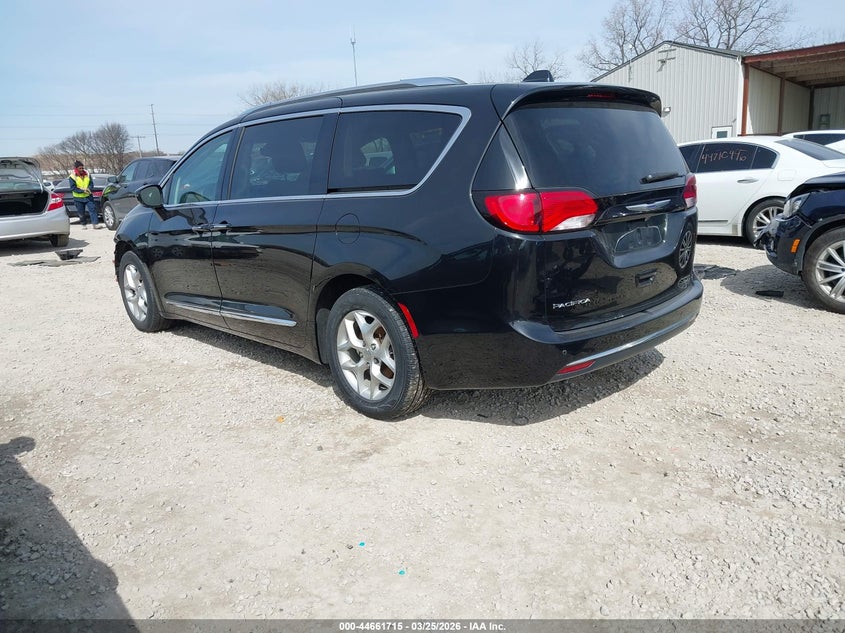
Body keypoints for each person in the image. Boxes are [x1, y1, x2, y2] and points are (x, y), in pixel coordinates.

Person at [68, 160, 102, 229]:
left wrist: (89, 189)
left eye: (82, 168)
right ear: (76, 168)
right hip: (78, 197)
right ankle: (83, 224)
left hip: (88, 196)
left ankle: (95, 224)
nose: (81, 169)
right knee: (81, 212)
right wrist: (82, 190)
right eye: (80, 168)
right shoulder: (72, 176)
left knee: (93, 209)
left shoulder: (87, 174)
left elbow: (91, 184)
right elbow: (73, 188)